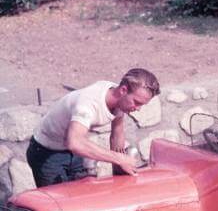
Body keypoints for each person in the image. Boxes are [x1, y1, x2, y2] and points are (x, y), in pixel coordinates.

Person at [27, 67, 160, 187]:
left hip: (73, 152)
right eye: (136, 103)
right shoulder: (88, 103)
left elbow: (117, 134)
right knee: (61, 206)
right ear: (123, 90)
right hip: (47, 152)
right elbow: (75, 142)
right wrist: (119, 158)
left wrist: (120, 170)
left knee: (83, 199)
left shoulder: (119, 99)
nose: (138, 109)